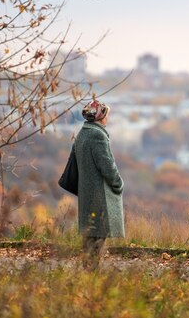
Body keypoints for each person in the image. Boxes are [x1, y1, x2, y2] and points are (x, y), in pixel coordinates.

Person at [75, 98, 125, 269]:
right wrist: (118, 184)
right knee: (98, 236)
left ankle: (88, 274)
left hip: (87, 191)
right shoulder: (97, 135)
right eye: (106, 115)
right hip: (99, 194)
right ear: (100, 116)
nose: (107, 118)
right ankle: (91, 277)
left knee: (90, 236)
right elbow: (107, 165)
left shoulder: (83, 132)